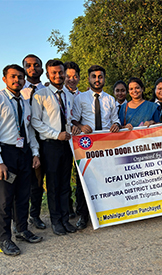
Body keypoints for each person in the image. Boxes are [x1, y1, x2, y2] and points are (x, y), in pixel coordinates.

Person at [0, 64, 42, 256]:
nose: (17, 80)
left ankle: (22, 229)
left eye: (20, 77)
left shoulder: (24, 102)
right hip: (4, 155)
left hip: (23, 153)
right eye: (13, 77)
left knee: (23, 195)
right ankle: (5, 239)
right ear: (5, 79)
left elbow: (29, 129)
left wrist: (34, 153)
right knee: (4, 199)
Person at [31, 59, 80, 236]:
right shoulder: (41, 95)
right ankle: (56, 221)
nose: (58, 76)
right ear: (47, 74)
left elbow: (68, 118)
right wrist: (55, 134)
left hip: (66, 144)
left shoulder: (68, 95)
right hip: (50, 145)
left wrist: (71, 128)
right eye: (54, 73)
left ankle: (65, 219)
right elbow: (35, 121)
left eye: (61, 72)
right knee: (53, 184)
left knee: (65, 183)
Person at [71, 65, 121, 230]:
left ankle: (108, 212)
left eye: (100, 76)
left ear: (104, 79)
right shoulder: (80, 98)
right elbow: (73, 120)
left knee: (107, 179)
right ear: (89, 79)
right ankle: (83, 216)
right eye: (94, 76)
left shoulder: (110, 99)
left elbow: (116, 119)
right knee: (84, 182)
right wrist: (81, 125)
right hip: (86, 147)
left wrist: (116, 124)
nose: (97, 79)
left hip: (106, 146)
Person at [20, 54, 47, 231]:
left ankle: (35, 215)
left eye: (36, 65)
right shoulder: (17, 91)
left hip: (45, 142)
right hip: (22, 144)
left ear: (42, 69)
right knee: (22, 183)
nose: (33, 68)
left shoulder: (49, 91)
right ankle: (19, 219)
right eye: (28, 65)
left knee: (39, 182)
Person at [63, 61, 81, 219]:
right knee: (65, 175)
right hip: (64, 140)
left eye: (75, 76)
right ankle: (67, 207)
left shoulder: (83, 96)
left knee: (81, 173)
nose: (71, 79)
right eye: (68, 76)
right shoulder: (59, 95)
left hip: (82, 143)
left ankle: (81, 204)